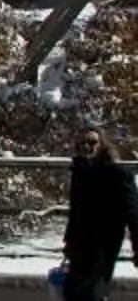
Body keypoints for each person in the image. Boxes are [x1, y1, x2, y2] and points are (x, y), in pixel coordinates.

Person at [63, 129, 137, 301]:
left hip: (104, 242)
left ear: (102, 145)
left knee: (91, 291)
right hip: (80, 242)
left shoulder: (118, 174)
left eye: (92, 142)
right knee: (73, 293)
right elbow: (76, 211)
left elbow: (133, 212)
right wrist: (69, 241)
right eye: (83, 143)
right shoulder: (80, 172)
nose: (87, 146)